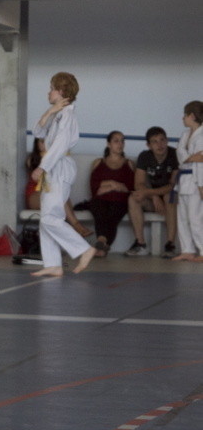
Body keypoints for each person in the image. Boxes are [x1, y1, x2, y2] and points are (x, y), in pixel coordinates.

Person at [29, 72, 96, 277]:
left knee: (50, 217)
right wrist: (50, 111)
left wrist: (43, 167)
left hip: (59, 166)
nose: (48, 92)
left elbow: (59, 145)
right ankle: (53, 264)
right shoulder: (58, 113)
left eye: (51, 88)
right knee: (47, 218)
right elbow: (38, 133)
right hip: (54, 167)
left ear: (60, 91)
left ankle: (84, 249)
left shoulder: (67, 116)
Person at [124, 126, 179, 257]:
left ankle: (170, 245)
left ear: (167, 141)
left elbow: (172, 186)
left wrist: (152, 194)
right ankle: (140, 244)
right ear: (148, 145)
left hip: (171, 201)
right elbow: (139, 184)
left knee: (169, 196)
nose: (160, 144)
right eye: (154, 141)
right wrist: (154, 196)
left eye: (162, 140)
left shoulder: (175, 155)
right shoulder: (144, 156)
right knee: (133, 198)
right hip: (153, 200)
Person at [25, 137, 94, 238]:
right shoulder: (33, 159)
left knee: (61, 195)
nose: (46, 144)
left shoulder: (58, 158)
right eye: (42, 142)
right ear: (37, 144)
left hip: (52, 194)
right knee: (56, 194)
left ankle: (73, 231)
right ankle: (76, 226)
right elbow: (41, 181)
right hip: (35, 195)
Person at [88, 131, 135, 257]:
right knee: (100, 210)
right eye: (116, 141)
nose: (120, 144)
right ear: (108, 144)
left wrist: (106, 186)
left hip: (120, 201)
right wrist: (114, 184)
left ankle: (101, 242)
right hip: (100, 200)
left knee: (112, 214)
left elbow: (129, 188)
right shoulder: (98, 162)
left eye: (122, 141)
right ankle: (102, 246)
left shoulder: (129, 164)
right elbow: (95, 189)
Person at [172, 101, 203, 262]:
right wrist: (191, 158)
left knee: (195, 218)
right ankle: (187, 250)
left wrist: (201, 185)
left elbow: (200, 163)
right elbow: (181, 156)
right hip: (183, 180)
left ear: (192, 116)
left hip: (197, 180)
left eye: (185, 115)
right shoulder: (185, 135)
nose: (182, 118)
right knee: (182, 218)